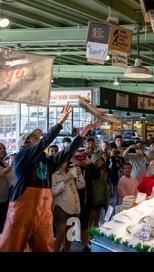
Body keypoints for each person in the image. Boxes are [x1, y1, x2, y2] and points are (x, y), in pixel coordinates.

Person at [0, 105, 99, 252]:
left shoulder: (47, 162)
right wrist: (60, 122)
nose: (39, 139)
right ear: (26, 143)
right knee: (11, 247)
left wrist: (84, 131)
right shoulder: (21, 157)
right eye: (35, 138)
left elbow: (68, 151)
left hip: (43, 214)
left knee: (45, 248)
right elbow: (44, 142)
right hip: (21, 214)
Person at [51, 161, 85, 252]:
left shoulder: (71, 170)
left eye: (66, 159)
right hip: (60, 207)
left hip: (74, 206)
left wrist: (79, 175)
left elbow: (81, 186)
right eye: (63, 159)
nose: (65, 162)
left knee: (70, 234)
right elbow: (53, 191)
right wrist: (67, 178)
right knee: (60, 233)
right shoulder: (53, 174)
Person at [89, 157, 109, 228]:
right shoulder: (92, 172)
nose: (99, 163)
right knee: (92, 215)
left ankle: (95, 230)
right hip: (94, 195)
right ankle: (89, 232)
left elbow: (105, 184)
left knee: (98, 215)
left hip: (101, 196)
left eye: (101, 161)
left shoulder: (104, 171)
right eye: (97, 161)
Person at [0, 143, 13, 234]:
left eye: (3, 148)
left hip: (5, 198)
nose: (3, 150)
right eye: (0, 148)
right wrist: (4, 172)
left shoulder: (4, 162)